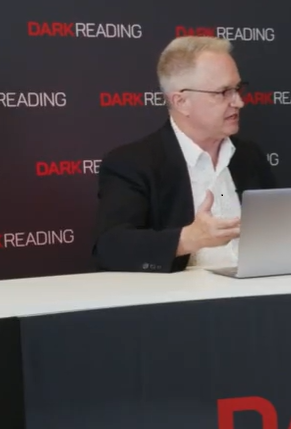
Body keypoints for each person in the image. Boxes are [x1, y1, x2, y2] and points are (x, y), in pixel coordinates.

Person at [93, 36, 277, 272]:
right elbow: (110, 247)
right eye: (223, 92)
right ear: (181, 102)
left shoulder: (249, 156)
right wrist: (189, 239)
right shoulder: (132, 163)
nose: (238, 102)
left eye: (238, 89)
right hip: (183, 303)